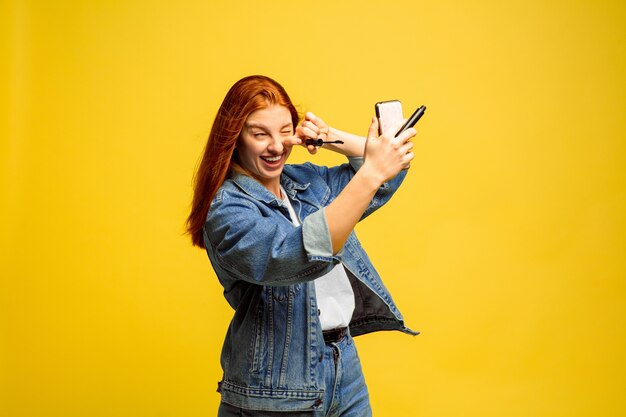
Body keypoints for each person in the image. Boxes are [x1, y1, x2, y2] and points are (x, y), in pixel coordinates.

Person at [187, 75, 418, 417]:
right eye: (259, 133)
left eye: (284, 130)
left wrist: (329, 139)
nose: (277, 146)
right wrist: (371, 173)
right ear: (235, 137)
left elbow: (387, 177)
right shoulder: (228, 209)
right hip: (276, 385)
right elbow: (295, 255)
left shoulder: (305, 182)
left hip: (344, 368)